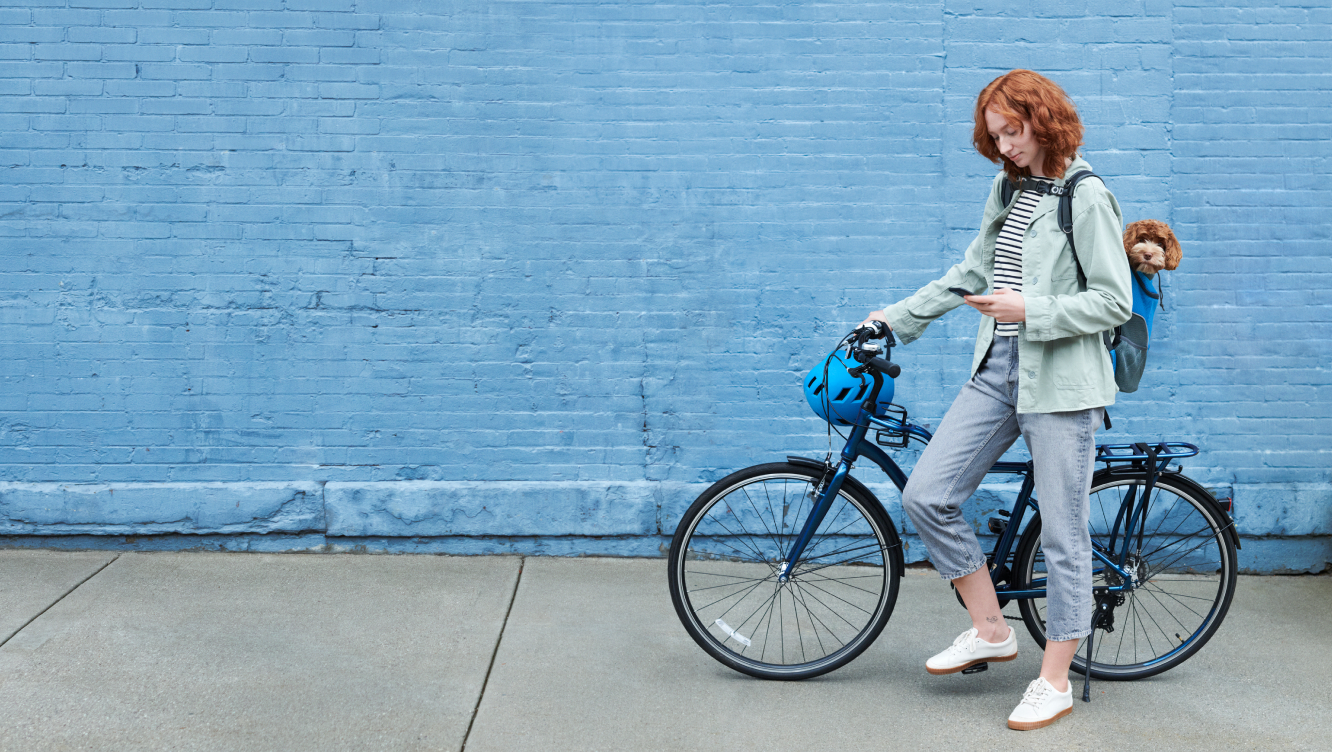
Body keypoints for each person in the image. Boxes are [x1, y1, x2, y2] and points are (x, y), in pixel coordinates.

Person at [860, 69, 1132, 730]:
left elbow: (1113, 299)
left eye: (1013, 130)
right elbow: (973, 272)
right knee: (927, 492)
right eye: (996, 134)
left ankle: (1054, 680)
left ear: (1044, 118)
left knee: (1064, 535)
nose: (1005, 144)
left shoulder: (1085, 196)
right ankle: (990, 628)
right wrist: (897, 318)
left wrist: (1029, 307)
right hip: (998, 366)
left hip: (1061, 381)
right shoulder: (1007, 187)